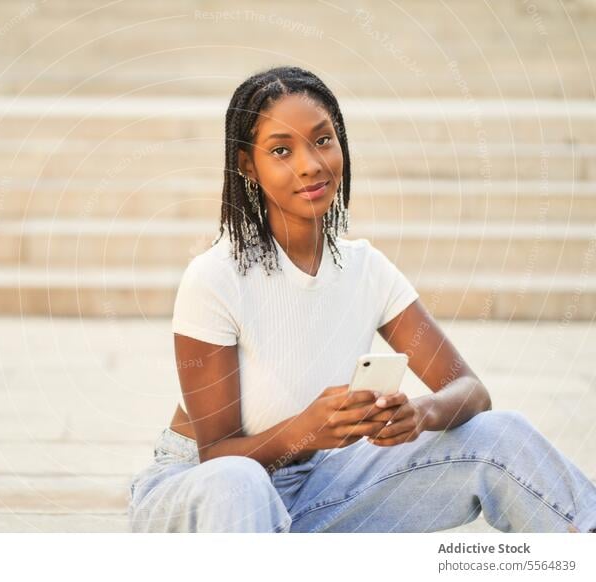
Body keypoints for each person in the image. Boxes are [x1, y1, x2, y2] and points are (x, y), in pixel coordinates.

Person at [127, 65, 596, 533]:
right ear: (249, 165)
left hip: (317, 489)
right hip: (203, 495)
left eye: (322, 140)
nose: (310, 163)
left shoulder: (366, 269)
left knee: (500, 435)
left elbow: (471, 391)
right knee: (238, 480)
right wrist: (306, 430)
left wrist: (421, 413)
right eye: (281, 150)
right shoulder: (215, 277)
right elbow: (216, 453)